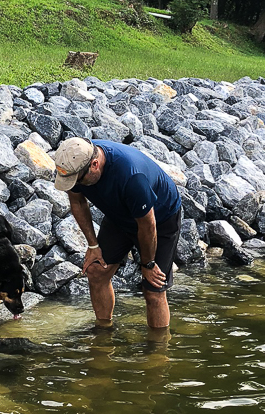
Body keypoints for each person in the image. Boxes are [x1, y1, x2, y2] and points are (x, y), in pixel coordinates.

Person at [54, 137, 182, 330]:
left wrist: (147, 264)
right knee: (96, 271)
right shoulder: (77, 160)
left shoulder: (131, 177)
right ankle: (104, 333)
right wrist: (93, 246)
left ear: (94, 165)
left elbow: (148, 226)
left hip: (160, 219)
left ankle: (157, 353)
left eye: (77, 181)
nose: (74, 185)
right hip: (119, 215)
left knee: (153, 290)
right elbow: (78, 202)